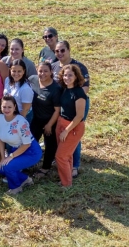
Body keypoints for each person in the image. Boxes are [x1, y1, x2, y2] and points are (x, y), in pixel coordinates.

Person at [51, 40, 90, 177]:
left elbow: (85, 88)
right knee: (63, 141)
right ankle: (65, 162)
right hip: (62, 108)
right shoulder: (54, 66)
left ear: (68, 50)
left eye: (62, 50)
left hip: (74, 106)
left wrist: (74, 98)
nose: (60, 53)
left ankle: (74, 166)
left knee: (73, 138)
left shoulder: (78, 66)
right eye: (57, 51)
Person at [0, 95, 42, 195]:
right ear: (0, 107)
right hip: (16, 149)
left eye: (9, 107)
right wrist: (3, 158)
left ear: (15, 107)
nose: (6, 109)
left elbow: (27, 144)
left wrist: (10, 157)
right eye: (4, 107)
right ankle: (26, 179)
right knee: (1, 168)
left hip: (31, 151)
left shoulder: (21, 122)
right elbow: (0, 139)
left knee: (8, 167)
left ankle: (16, 187)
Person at [56, 64, 88, 188]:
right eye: (65, 75)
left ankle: (66, 184)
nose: (67, 77)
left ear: (76, 76)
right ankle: (67, 179)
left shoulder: (79, 93)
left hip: (73, 127)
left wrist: (66, 131)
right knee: (67, 155)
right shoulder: (65, 89)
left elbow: (79, 116)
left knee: (61, 156)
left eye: (70, 75)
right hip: (61, 123)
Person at [30, 61, 62, 179]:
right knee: (30, 141)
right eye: (40, 71)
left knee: (50, 145)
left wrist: (49, 125)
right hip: (36, 119)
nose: (42, 73)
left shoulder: (55, 89)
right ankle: (29, 162)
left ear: (51, 72)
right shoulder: (33, 80)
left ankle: (45, 167)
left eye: (45, 71)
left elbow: (57, 110)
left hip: (50, 121)